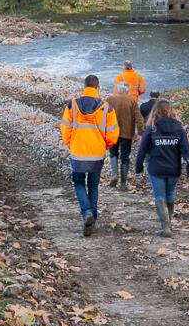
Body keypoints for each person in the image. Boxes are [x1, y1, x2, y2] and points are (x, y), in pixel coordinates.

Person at [61, 75, 120, 236]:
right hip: (97, 152)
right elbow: (113, 132)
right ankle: (91, 215)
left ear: (84, 87)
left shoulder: (72, 105)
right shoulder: (107, 107)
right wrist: (106, 145)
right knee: (93, 185)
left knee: (79, 183)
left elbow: (65, 128)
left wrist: (71, 143)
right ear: (98, 88)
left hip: (78, 151)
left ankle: (87, 213)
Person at [135, 100, 189, 236]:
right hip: (174, 168)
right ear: (170, 110)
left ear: (155, 111)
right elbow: (186, 150)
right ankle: (168, 224)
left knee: (159, 195)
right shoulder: (178, 127)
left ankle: (165, 227)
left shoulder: (152, 127)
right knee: (170, 194)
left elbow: (142, 149)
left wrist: (138, 166)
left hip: (156, 168)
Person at [104, 82, 143, 190]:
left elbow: (103, 115)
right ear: (127, 90)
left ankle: (114, 175)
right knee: (125, 158)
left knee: (113, 154)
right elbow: (139, 119)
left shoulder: (110, 99)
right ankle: (123, 184)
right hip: (127, 134)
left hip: (112, 133)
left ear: (118, 89)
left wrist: (103, 130)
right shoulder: (132, 101)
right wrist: (140, 133)